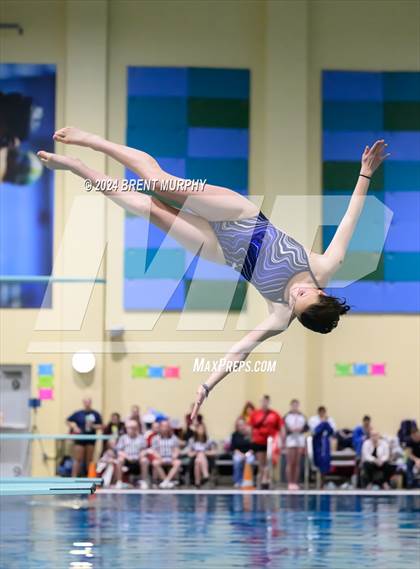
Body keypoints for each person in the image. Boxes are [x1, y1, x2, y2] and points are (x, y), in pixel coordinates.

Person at [37, 130, 390, 417]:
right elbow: (350, 219)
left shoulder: (282, 317)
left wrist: (206, 385)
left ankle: (78, 168)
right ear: (322, 293)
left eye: (295, 305)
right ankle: (92, 141)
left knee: (147, 207)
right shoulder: (325, 267)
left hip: (220, 252)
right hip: (241, 217)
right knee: (160, 184)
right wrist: (365, 173)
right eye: (303, 296)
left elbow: (240, 352)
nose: (294, 296)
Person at [249, 395, 284, 489]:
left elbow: (281, 427)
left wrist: (282, 440)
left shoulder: (274, 414)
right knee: (262, 463)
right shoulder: (255, 414)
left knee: (271, 462)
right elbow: (251, 428)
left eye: (266, 401)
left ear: (268, 402)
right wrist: (251, 439)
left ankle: (266, 479)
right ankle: (261, 481)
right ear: (261, 402)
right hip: (259, 441)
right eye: (262, 401)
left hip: (271, 442)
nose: (264, 403)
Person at [66, 398, 102, 477]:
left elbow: (101, 426)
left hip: (91, 438)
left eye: (89, 402)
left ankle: (89, 476)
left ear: (91, 403)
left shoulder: (95, 414)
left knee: (89, 460)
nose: (87, 404)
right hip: (80, 438)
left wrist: (93, 426)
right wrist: (74, 427)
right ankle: (73, 477)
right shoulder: (78, 413)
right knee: (78, 459)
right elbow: (68, 421)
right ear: (83, 403)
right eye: (86, 402)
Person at [114, 420, 149, 489]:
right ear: (126, 429)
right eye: (129, 428)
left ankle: (144, 481)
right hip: (126, 459)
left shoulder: (141, 438)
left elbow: (144, 450)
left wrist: (140, 456)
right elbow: (119, 451)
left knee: (144, 460)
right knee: (119, 460)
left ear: (136, 428)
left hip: (138, 459)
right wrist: (127, 457)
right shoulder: (123, 438)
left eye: (133, 428)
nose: (131, 430)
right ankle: (119, 482)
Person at [284, 399, 307, 490]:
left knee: (297, 462)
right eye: (293, 405)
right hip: (290, 440)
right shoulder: (287, 417)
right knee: (290, 462)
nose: (295, 407)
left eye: (296, 405)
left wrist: (300, 430)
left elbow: (306, 428)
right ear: (291, 406)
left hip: (299, 440)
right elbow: (283, 428)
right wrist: (290, 430)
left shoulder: (302, 417)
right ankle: (290, 482)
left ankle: (295, 482)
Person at [151, 420, 181, 489]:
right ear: (160, 427)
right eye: (163, 426)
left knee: (178, 462)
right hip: (160, 458)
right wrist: (159, 457)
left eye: (167, 426)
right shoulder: (155, 438)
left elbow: (176, 449)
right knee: (155, 463)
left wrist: (174, 455)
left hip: (171, 458)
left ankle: (166, 481)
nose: (165, 428)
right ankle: (165, 481)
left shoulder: (174, 438)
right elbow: (154, 450)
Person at [230, 418, 254, 488]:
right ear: (237, 426)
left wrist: (247, 454)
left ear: (245, 425)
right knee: (237, 461)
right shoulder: (234, 435)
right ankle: (237, 481)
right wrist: (241, 454)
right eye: (239, 425)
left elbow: (253, 447)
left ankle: (248, 480)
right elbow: (233, 448)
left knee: (250, 461)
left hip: (249, 453)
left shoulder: (249, 434)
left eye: (242, 424)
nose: (241, 426)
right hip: (238, 453)